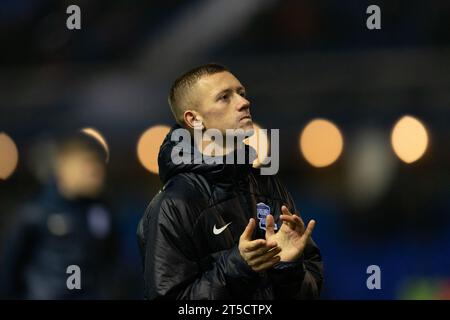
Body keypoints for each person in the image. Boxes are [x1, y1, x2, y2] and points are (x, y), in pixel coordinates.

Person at [137, 63, 323, 299]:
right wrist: (238, 267)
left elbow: (311, 291)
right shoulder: (174, 203)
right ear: (194, 119)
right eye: (225, 97)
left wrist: (288, 268)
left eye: (241, 93)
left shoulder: (269, 185)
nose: (244, 103)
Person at [0, 134, 117, 299]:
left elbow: (111, 259)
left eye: (98, 165)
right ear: (64, 167)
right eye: (86, 165)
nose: (95, 172)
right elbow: (10, 267)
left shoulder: (101, 209)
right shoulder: (35, 211)